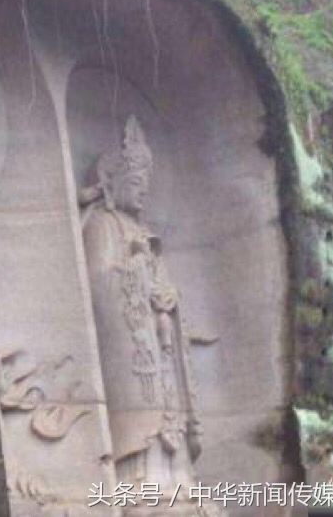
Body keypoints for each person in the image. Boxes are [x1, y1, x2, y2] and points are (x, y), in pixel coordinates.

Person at [81, 117, 202, 494]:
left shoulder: (145, 232)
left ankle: (180, 482)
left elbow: (165, 282)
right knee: (144, 424)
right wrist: (135, 270)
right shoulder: (102, 224)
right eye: (135, 183)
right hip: (133, 346)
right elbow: (100, 281)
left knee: (171, 415)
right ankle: (139, 485)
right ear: (115, 184)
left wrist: (167, 296)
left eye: (146, 186)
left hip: (159, 339)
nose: (143, 192)